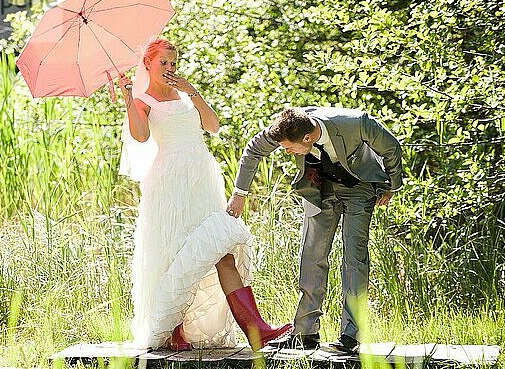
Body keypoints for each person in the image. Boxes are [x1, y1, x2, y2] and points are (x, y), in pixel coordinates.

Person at [115, 39, 292, 352]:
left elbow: (213, 126)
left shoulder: (185, 93)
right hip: (170, 181)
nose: (170, 68)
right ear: (148, 64)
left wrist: (192, 90)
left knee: (218, 249)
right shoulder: (143, 98)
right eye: (163, 63)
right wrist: (129, 98)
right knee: (174, 254)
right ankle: (173, 331)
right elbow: (141, 136)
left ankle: (256, 329)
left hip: (201, 177)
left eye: (174, 62)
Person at [226, 107, 402, 352]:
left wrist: (392, 185)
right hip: (320, 189)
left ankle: (351, 335)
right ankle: (305, 333)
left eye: (289, 147)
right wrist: (240, 194)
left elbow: (391, 147)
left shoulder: (357, 123)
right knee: (311, 256)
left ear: (307, 139)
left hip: (359, 188)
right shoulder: (289, 125)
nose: (286, 152)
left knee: (354, 257)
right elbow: (254, 149)